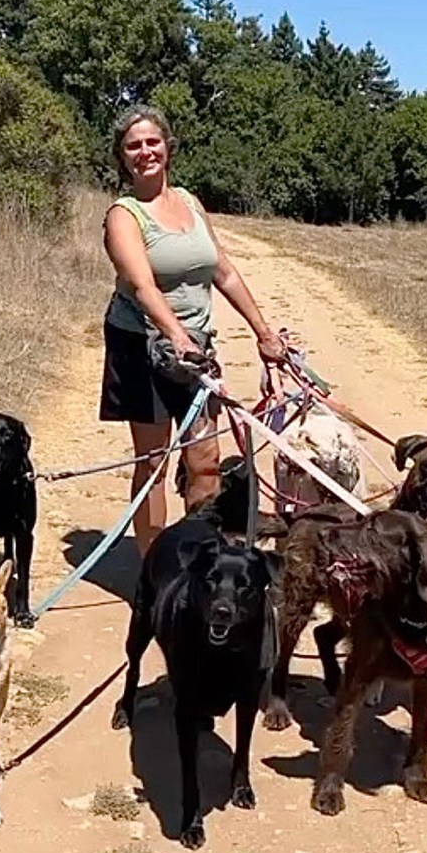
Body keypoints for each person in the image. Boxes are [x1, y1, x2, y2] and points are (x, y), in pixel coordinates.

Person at [99, 105, 286, 557]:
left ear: (168, 146)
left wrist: (264, 333)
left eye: (152, 142)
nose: (145, 152)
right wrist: (177, 336)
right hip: (142, 347)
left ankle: (201, 557)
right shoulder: (123, 216)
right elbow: (142, 286)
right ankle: (154, 571)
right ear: (122, 158)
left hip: (195, 350)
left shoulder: (190, 202)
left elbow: (222, 271)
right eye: (133, 146)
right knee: (154, 463)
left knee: (205, 461)